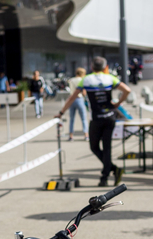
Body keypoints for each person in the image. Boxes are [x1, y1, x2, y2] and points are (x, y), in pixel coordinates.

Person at [55, 56, 131, 187]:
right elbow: (127, 90)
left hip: (96, 119)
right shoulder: (110, 78)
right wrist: (118, 103)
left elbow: (72, 98)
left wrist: (61, 113)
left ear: (91, 67)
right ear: (105, 67)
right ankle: (111, 170)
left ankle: (105, 177)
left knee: (94, 147)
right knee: (106, 148)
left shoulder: (86, 80)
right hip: (109, 117)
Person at [66, 67, 88, 142]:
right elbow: (84, 92)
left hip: (71, 99)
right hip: (79, 99)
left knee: (72, 119)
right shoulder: (82, 80)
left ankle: (71, 136)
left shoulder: (71, 80)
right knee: (83, 118)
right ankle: (86, 135)